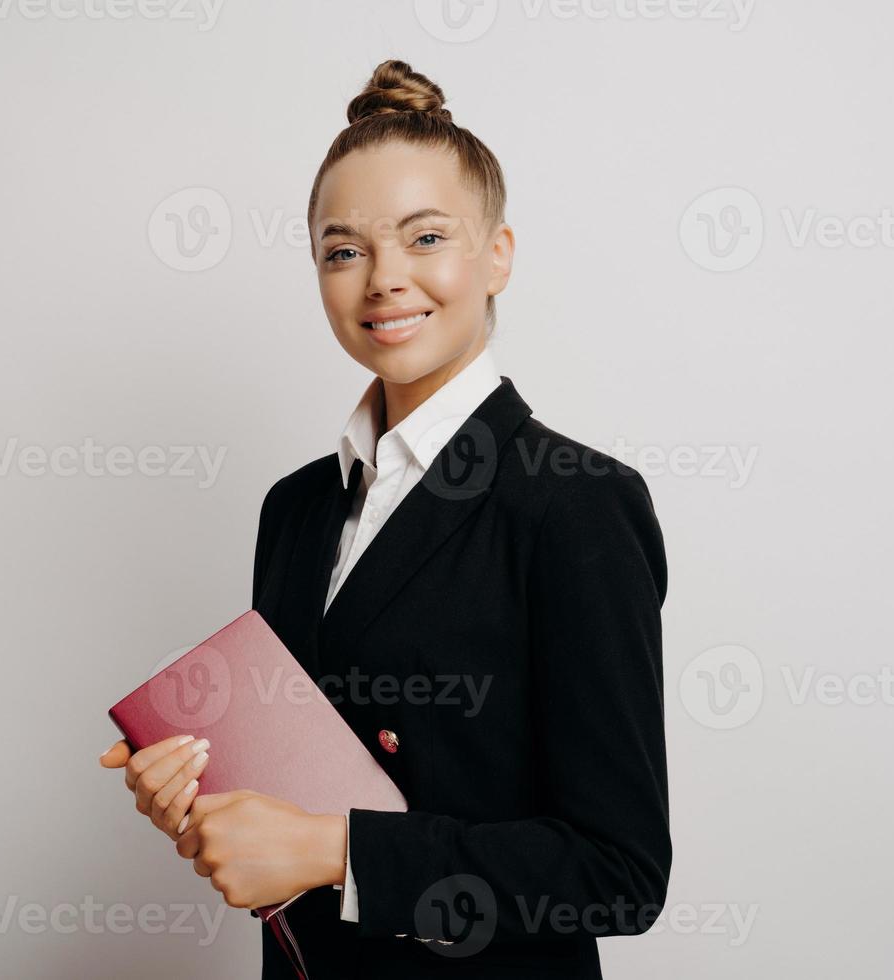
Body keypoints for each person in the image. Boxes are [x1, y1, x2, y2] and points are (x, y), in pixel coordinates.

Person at [100, 58, 670, 978]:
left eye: (425, 237)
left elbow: (620, 871)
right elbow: (303, 783)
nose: (382, 280)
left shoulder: (576, 503)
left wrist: (339, 853)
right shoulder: (294, 508)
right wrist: (206, 800)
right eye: (344, 249)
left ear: (498, 255)